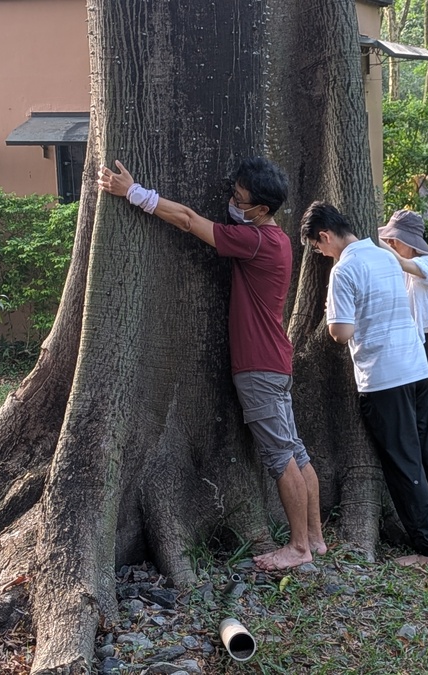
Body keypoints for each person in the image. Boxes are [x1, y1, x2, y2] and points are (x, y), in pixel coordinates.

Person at [97, 157, 325, 571]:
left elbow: (187, 219)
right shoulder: (278, 240)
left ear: (261, 209)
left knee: (279, 458)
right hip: (276, 362)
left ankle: (298, 548)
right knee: (296, 452)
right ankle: (314, 538)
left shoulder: (254, 240)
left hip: (258, 368)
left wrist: (133, 193)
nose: (233, 203)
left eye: (240, 199)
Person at [300, 201, 428, 569]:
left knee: (403, 464)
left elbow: (341, 334)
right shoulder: (385, 256)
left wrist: (332, 315)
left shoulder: (344, 270)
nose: (321, 254)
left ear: (325, 236)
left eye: (318, 247)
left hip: (384, 378)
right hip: (417, 367)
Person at [377, 209, 428, 405]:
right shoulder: (392, 269)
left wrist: (371, 234)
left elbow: (402, 262)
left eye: (394, 239)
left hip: (424, 343)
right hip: (398, 344)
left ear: (411, 242)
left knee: (426, 405)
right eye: (387, 239)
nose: (390, 244)